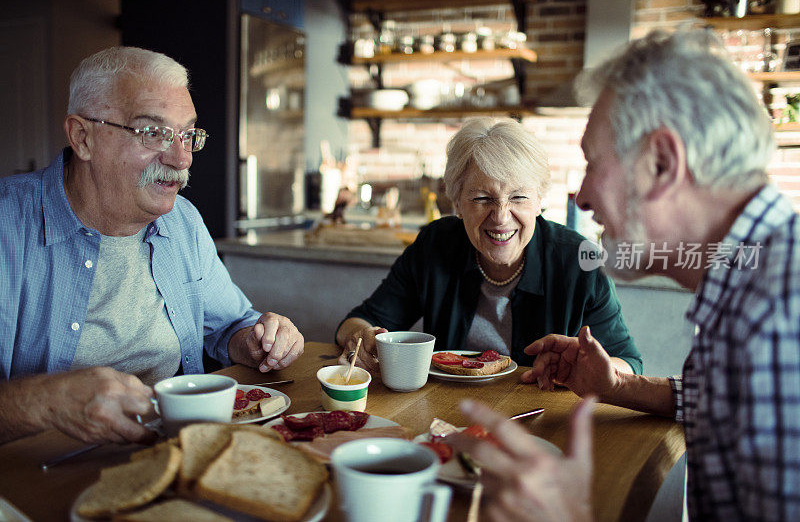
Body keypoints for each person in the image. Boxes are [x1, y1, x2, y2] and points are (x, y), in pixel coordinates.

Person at [448, 29, 800, 521]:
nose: (582, 197)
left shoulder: (773, 321)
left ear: (661, 162)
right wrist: (616, 385)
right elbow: (715, 399)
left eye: (594, 164)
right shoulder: (758, 285)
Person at [0, 47, 304, 446]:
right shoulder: (9, 226)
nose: (181, 158)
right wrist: (48, 400)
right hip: (35, 481)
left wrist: (257, 339)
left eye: (187, 135)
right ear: (83, 137)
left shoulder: (183, 222)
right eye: (153, 132)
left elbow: (230, 323)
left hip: (172, 453)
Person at [336, 117, 642, 376]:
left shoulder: (580, 260)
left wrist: (585, 368)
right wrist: (360, 338)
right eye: (483, 198)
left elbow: (628, 362)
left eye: (518, 197)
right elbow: (356, 321)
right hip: (446, 414)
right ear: (457, 202)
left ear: (539, 201)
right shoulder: (435, 245)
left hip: (543, 422)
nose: (500, 217)